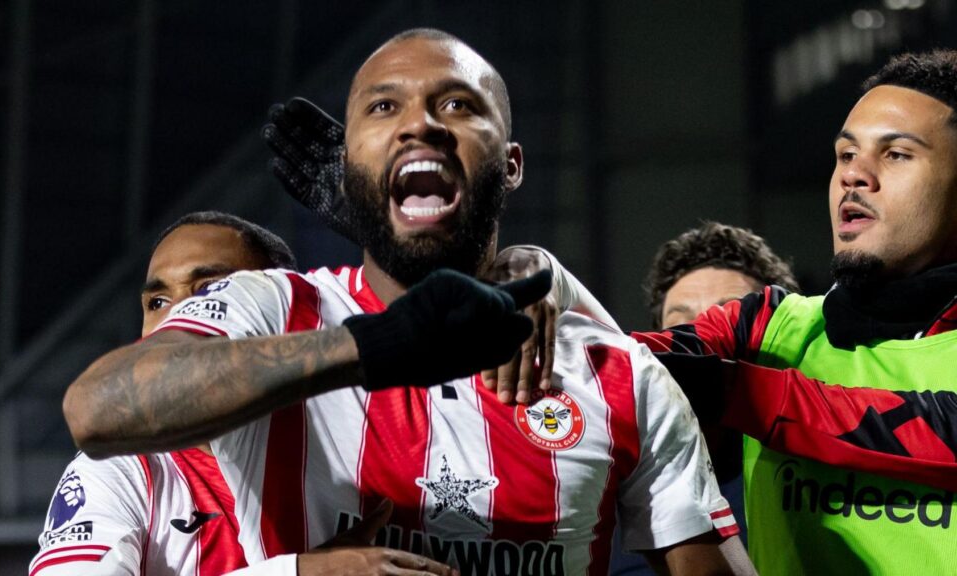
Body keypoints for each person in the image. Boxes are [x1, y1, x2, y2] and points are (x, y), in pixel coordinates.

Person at [63, 29, 754, 575]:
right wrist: (376, 344)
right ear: (347, 165)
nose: (419, 124)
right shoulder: (271, 308)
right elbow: (97, 409)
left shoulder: (620, 376)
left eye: (456, 105)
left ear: (512, 164)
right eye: (383, 106)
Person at [268, 47, 957, 574]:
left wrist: (728, 388)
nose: (854, 174)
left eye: (897, 154)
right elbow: (606, 376)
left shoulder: (761, 359)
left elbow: (918, 429)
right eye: (844, 154)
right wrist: (420, 239)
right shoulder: (769, 327)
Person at [30, 212, 298, 576]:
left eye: (210, 290)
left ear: (286, 310)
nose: (178, 317)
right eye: (157, 302)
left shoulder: (351, 439)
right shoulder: (121, 468)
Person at [612, 222, 799, 576]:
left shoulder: (811, 488)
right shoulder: (607, 483)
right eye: (684, 329)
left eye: (730, 323)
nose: (704, 343)